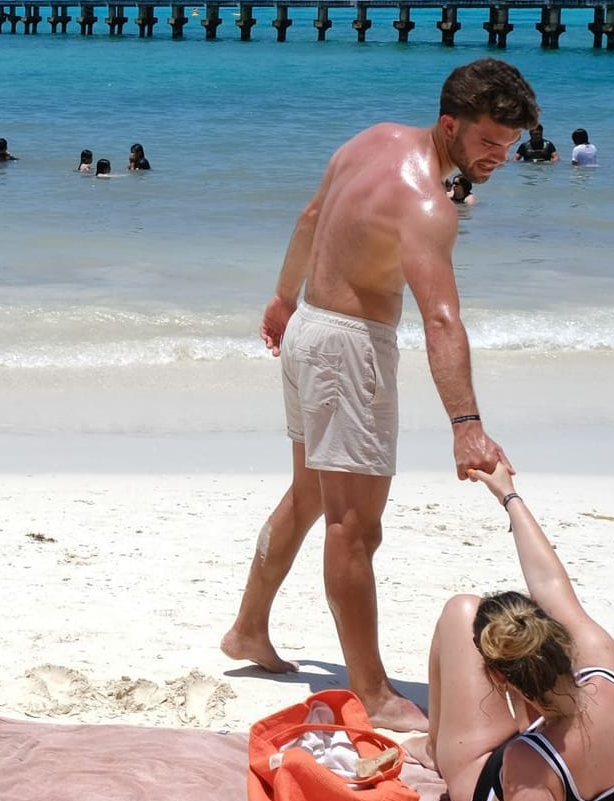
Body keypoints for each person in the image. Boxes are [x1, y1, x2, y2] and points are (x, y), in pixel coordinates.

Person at [220, 57, 533, 731]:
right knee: (353, 526)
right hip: (349, 350)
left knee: (310, 495)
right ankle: (372, 691)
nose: (498, 156)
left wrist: (282, 299)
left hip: (309, 330)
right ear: (449, 124)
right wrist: (466, 424)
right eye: (486, 141)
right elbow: (441, 319)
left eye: (507, 145)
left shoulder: (372, 139)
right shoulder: (428, 206)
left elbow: (309, 216)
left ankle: (248, 628)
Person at [414, 461, 614, 801]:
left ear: (499, 678)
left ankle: (435, 751)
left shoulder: (526, 761)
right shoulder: (606, 667)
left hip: (513, 794)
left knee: (463, 610)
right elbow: (549, 582)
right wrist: (508, 495)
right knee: (483, 614)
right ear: (560, 638)